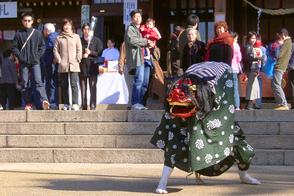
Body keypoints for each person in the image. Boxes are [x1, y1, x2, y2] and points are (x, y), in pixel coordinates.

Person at [151, 62, 260, 194]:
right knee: (175, 145)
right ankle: (162, 182)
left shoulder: (219, 80)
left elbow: (222, 100)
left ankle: (244, 175)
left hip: (210, 109)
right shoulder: (185, 86)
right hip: (187, 108)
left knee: (238, 143)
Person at [11, 12, 49, 110]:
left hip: (35, 62)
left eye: (29, 20)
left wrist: (37, 56)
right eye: (25, 20)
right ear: (22, 21)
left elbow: (42, 46)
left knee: (38, 81)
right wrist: (20, 56)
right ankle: (28, 103)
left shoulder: (37, 33)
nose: (27, 22)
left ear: (32, 21)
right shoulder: (18, 33)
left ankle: (44, 101)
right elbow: (14, 47)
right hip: (23, 62)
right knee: (24, 82)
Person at [124, 9, 154, 110]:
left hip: (147, 59)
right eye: (135, 17)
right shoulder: (130, 29)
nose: (138, 18)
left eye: (139, 17)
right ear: (132, 19)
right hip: (138, 59)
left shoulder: (143, 29)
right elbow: (132, 41)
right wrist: (146, 41)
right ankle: (135, 103)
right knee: (139, 81)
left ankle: (142, 103)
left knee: (145, 83)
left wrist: (151, 42)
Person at [53, 18, 82, 110]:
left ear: (71, 26)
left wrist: (78, 58)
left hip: (74, 64)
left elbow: (79, 49)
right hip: (63, 64)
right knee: (64, 85)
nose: (67, 27)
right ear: (62, 26)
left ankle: (75, 104)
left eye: (69, 25)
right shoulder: (59, 37)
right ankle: (66, 104)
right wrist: (59, 59)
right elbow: (55, 50)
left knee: (74, 84)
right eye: (65, 25)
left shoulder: (76, 37)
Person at [79, 23, 104, 110]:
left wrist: (91, 52)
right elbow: (76, 52)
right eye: (85, 29)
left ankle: (93, 105)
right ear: (82, 30)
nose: (86, 31)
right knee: (83, 87)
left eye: (88, 29)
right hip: (82, 67)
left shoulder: (97, 40)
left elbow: (100, 52)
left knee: (92, 87)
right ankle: (83, 105)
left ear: (91, 30)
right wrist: (82, 54)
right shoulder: (79, 40)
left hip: (93, 66)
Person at [272, 28, 292, 110]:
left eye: (280, 36)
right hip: (282, 66)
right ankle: (281, 103)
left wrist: (277, 46)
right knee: (276, 84)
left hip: (280, 66)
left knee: (276, 85)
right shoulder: (289, 42)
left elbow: (278, 55)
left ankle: (283, 103)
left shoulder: (286, 43)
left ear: (283, 35)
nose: (280, 38)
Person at [243, 31, 262, 110]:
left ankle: (250, 104)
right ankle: (249, 105)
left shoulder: (251, 46)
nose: (253, 40)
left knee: (253, 87)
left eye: (255, 38)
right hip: (251, 69)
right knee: (251, 87)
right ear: (249, 38)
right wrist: (257, 58)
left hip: (253, 68)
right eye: (252, 38)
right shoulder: (248, 46)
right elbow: (247, 58)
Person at [43, 23, 59, 109]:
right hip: (55, 65)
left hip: (51, 64)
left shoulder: (51, 38)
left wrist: (47, 62)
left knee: (51, 84)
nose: (43, 32)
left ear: (47, 31)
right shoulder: (57, 35)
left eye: (44, 30)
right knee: (54, 84)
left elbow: (51, 51)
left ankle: (52, 103)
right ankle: (54, 102)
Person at [231, 32, 243, 110]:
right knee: (235, 87)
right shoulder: (235, 45)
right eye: (237, 38)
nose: (237, 40)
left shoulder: (227, 44)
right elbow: (239, 58)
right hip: (234, 68)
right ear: (234, 38)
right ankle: (237, 105)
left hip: (228, 68)